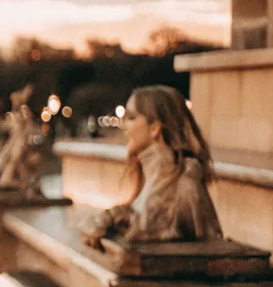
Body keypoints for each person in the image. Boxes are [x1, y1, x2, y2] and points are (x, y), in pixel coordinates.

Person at [80, 85, 222, 247]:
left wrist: (112, 219)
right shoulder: (151, 177)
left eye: (132, 118)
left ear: (155, 128)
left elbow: (150, 229)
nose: (124, 126)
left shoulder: (183, 184)